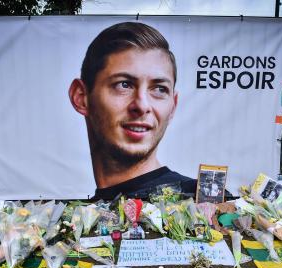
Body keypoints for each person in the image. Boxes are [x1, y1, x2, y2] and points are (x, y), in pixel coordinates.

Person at [68, 22, 196, 200]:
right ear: (81, 97)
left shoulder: (205, 207)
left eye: (159, 89)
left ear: (173, 106)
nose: (142, 106)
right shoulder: (73, 219)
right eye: (124, 85)